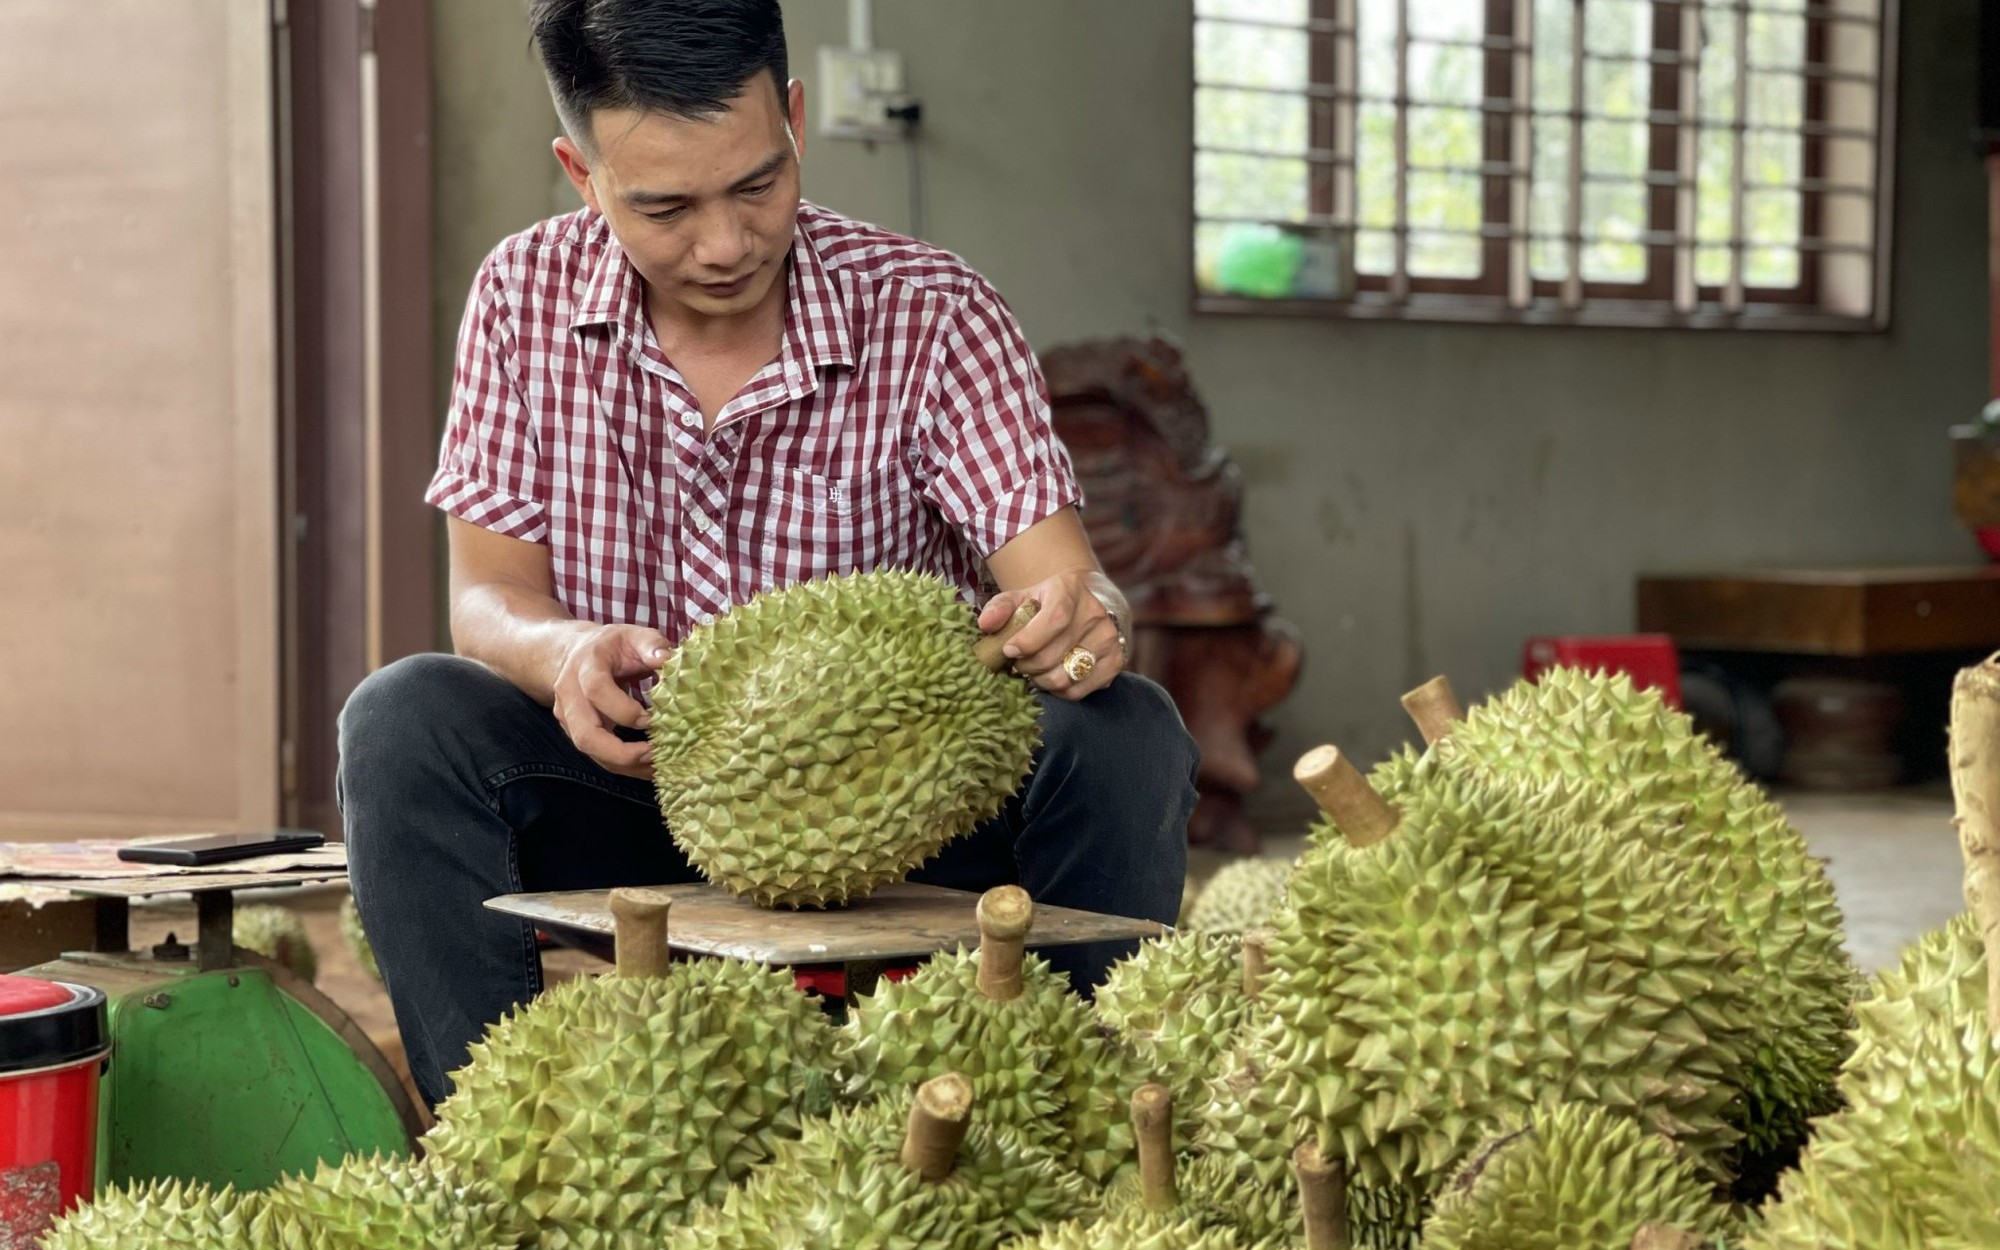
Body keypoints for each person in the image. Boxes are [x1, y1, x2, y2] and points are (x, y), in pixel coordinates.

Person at [338, 0, 1197, 1108]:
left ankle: (1078, 1111)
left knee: (1124, 731)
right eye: (665, 206)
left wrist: (1089, 619)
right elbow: (488, 597)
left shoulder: (928, 309)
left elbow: (1060, 579)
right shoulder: (521, 298)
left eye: (757, 184)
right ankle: (499, 1139)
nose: (726, 243)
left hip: (896, 809)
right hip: (640, 788)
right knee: (401, 716)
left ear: (792, 121)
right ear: (581, 174)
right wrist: (562, 654)